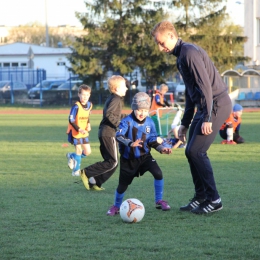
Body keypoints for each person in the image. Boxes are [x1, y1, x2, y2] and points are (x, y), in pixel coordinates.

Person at [151, 21, 232, 214]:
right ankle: (201, 196)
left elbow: (205, 87)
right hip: (205, 107)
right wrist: (185, 125)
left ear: (172, 36)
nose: (160, 47)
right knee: (190, 151)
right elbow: (190, 93)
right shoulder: (181, 56)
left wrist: (208, 119)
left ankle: (214, 199)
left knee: (197, 152)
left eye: (162, 42)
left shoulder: (189, 52)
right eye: (158, 44)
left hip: (216, 105)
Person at [106, 92, 172, 216]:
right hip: (128, 159)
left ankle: (159, 200)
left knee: (158, 173)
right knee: (122, 185)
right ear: (134, 108)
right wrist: (131, 143)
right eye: (139, 110)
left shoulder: (150, 122)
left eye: (145, 110)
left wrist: (162, 149)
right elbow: (118, 135)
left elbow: (152, 140)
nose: (142, 113)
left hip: (144, 156)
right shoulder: (126, 121)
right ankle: (116, 206)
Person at [80, 75, 128, 191]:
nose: (126, 88)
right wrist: (119, 125)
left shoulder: (113, 98)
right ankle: (86, 172)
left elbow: (114, 115)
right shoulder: (116, 99)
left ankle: (95, 181)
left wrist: (129, 117)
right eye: (124, 86)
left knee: (111, 162)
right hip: (108, 133)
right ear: (116, 89)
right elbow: (109, 115)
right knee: (113, 161)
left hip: (105, 132)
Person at [66, 85, 92, 177]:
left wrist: (88, 124)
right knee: (79, 150)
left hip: (84, 132)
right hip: (75, 132)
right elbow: (71, 120)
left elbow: (87, 116)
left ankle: (72, 156)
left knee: (88, 152)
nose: (85, 97)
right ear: (79, 94)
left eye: (87, 95)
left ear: (89, 95)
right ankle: (76, 171)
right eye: (83, 95)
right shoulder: (76, 106)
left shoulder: (89, 105)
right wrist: (79, 129)